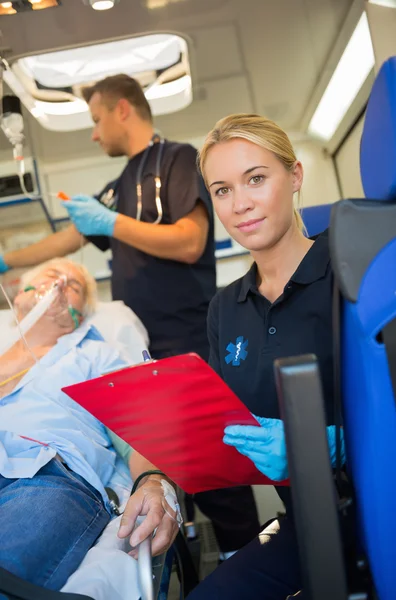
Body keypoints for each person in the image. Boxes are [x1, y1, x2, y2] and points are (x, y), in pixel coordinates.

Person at [0, 74, 260, 556]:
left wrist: (111, 223)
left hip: (187, 337)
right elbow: (70, 239)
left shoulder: (178, 159)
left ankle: (245, 562)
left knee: (215, 473)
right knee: (172, 469)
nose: (94, 134)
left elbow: (189, 241)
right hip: (140, 350)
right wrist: (9, 260)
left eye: (97, 119)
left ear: (123, 110)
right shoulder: (117, 187)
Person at [185, 113, 346, 599]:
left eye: (255, 179)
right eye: (222, 190)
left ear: (295, 177)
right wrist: (154, 472)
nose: (240, 205)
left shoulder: (350, 274)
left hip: (384, 505)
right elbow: (215, 421)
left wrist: (325, 447)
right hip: (304, 525)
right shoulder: (224, 309)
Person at [0, 257, 180, 591]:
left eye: (74, 285)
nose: (60, 285)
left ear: (79, 315)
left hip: (44, 474)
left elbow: (133, 427)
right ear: (19, 295)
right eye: (52, 275)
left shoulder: (94, 353)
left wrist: (154, 480)